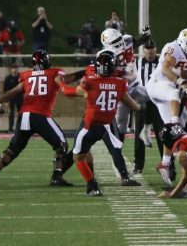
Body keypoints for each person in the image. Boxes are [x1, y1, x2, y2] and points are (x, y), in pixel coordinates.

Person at [0, 50, 79, 186]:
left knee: (13, 148)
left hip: (24, 115)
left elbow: (12, 92)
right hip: (40, 115)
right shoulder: (54, 73)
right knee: (61, 145)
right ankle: (57, 176)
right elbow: (69, 79)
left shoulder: (27, 75)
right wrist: (86, 72)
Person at [60, 51, 142, 196]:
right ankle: (124, 177)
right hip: (107, 125)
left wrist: (60, 83)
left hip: (89, 125)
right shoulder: (119, 83)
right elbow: (132, 105)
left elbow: (68, 92)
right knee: (116, 150)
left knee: (77, 156)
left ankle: (92, 186)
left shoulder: (89, 81)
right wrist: (140, 107)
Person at [145, 28, 187, 186]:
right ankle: (175, 123)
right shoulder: (173, 47)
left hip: (169, 90)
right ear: (181, 42)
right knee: (175, 99)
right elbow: (165, 68)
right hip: (158, 84)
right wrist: (182, 82)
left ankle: (165, 163)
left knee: (172, 132)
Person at [133, 39, 162, 173]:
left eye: (152, 48)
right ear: (143, 50)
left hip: (158, 102)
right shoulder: (137, 64)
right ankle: (138, 165)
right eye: (147, 48)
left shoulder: (162, 63)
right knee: (139, 133)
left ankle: (167, 164)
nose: (149, 51)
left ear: (156, 49)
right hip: (142, 102)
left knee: (162, 133)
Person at [3, 64, 23, 133]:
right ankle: (10, 129)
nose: (15, 70)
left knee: (21, 114)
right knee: (11, 114)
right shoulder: (8, 78)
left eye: (16, 68)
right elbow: (5, 90)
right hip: (11, 98)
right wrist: (6, 100)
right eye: (13, 68)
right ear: (11, 69)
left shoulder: (21, 77)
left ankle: (20, 128)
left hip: (20, 98)